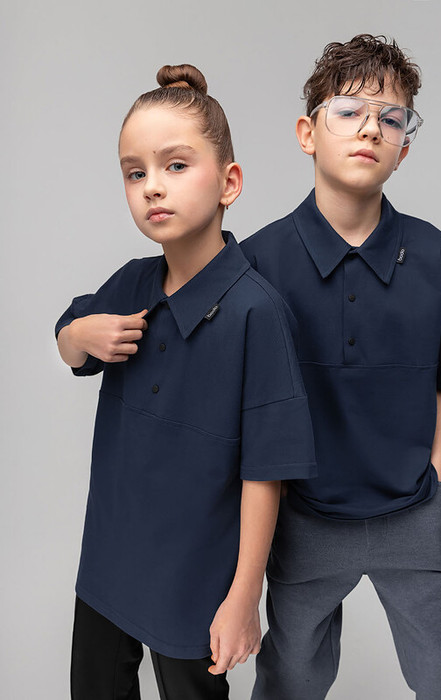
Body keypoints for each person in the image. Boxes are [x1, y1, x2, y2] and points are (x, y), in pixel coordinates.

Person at [54, 64, 316, 700]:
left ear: (230, 183)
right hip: (109, 557)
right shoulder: (132, 282)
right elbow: (68, 342)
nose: (152, 187)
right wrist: (80, 333)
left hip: (194, 577)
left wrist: (243, 596)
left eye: (175, 165)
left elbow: (267, 471)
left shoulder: (258, 313)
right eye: (134, 172)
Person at [239, 35, 441, 699]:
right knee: (290, 675)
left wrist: (436, 477)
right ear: (307, 133)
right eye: (348, 112)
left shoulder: (432, 253)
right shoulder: (258, 262)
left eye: (391, 118)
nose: (370, 128)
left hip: (412, 512)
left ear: (403, 147)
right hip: (305, 517)